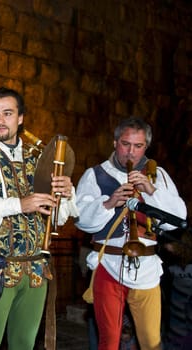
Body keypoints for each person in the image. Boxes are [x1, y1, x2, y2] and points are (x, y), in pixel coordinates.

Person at [0, 87, 78, 350]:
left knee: (24, 344)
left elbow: (58, 218)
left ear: (20, 118)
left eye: (7, 114)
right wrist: (19, 204)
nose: (0, 121)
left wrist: (65, 193)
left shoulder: (38, 159)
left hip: (35, 270)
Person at [74, 116, 187, 350]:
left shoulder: (159, 175)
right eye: (126, 144)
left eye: (138, 146)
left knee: (151, 341)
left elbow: (177, 220)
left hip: (146, 267)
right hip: (108, 265)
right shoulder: (94, 175)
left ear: (146, 147)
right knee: (110, 340)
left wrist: (151, 190)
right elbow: (80, 220)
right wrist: (109, 203)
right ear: (115, 143)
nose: (131, 153)